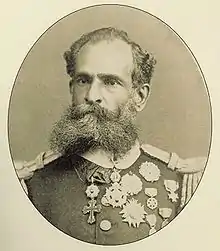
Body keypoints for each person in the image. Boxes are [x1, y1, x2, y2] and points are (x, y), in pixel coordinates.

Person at [15, 27, 206, 245]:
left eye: (110, 82)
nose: (92, 96)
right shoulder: (32, 184)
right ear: (71, 89)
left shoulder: (180, 184)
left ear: (139, 96)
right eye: (83, 80)